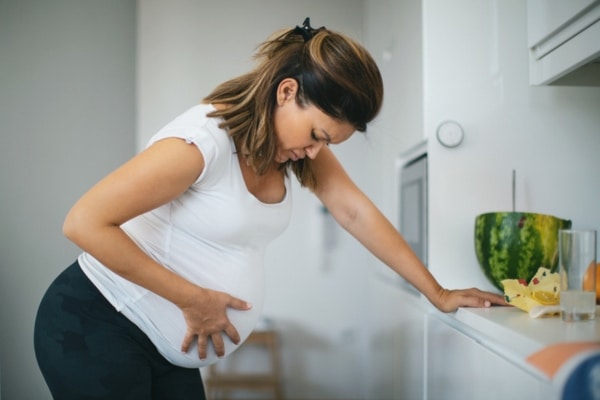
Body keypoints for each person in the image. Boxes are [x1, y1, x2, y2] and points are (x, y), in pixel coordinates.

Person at [34, 18, 506, 399]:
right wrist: (191, 299)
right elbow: (84, 222)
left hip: (160, 345)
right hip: (96, 321)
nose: (319, 153)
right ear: (286, 93)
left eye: (331, 143)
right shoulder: (202, 143)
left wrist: (437, 292)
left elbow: (354, 211)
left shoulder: (290, 149)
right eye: (318, 135)